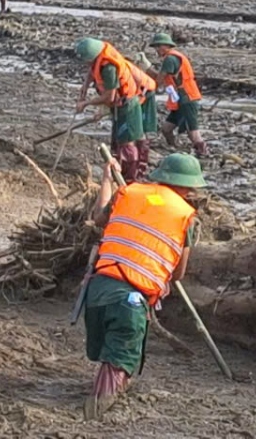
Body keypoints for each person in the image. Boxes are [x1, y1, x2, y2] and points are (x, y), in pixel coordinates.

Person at [81, 153, 205, 419]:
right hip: (131, 300)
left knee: (106, 348)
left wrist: (106, 180)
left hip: (97, 290)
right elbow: (178, 272)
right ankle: (97, 412)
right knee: (121, 354)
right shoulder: (187, 217)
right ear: (188, 186)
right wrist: (162, 278)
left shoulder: (127, 192)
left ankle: (101, 398)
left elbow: (98, 218)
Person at [75, 38, 157, 182]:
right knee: (123, 138)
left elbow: (109, 96)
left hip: (128, 105)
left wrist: (86, 103)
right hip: (121, 104)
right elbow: (92, 70)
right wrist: (85, 86)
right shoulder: (99, 58)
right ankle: (133, 169)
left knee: (127, 142)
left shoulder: (109, 68)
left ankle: (130, 177)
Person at [148, 33, 208, 158]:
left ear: (166, 46)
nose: (157, 50)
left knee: (193, 132)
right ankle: (174, 148)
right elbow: (162, 79)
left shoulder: (170, 59)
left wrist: (146, 70)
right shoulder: (171, 58)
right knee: (166, 129)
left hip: (187, 98)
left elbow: (158, 81)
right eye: (155, 47)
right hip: (180, 99)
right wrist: (147, 67)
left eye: (159, 46)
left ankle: (202, 153)